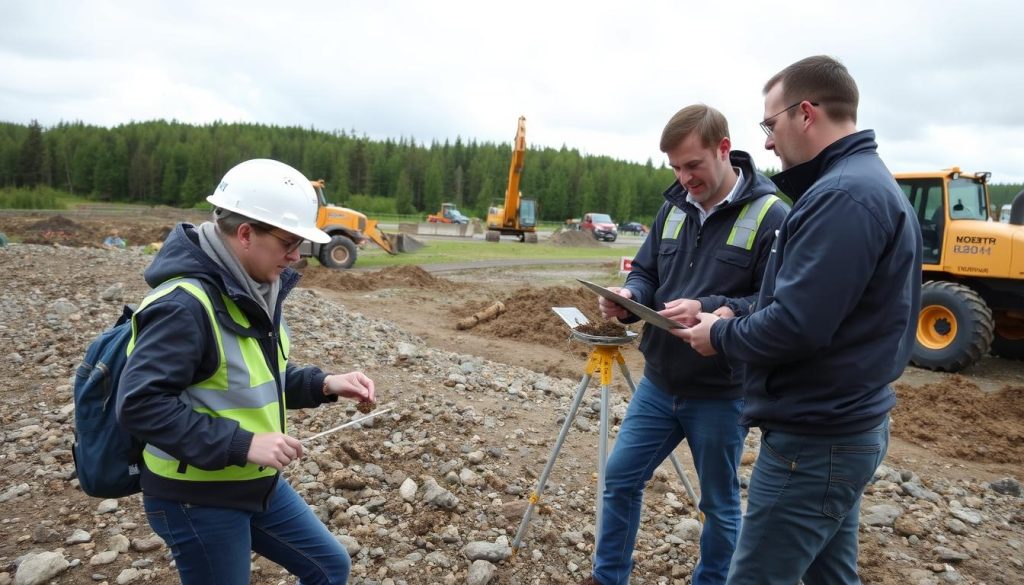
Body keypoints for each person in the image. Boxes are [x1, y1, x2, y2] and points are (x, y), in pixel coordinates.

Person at [675, 56, 922, 584]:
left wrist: (719, 334)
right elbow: (811, 305)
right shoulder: (857, 185)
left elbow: (796, 326)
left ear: (806, 113)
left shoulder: (843, 197)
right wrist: (731, 309)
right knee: (831, 577)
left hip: (816, 441)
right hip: (842, 426)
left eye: (770, 124)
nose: (766, 142)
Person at [117, 159, 376, 585]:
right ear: (244, 234)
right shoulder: (183, 305)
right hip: (196, 497)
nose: (296, 257)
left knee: (330, 567)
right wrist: (244, 443)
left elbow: (251, 378)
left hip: (256, 483)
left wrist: (325, 384)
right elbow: (140, 405)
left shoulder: (252, 288)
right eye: (289, 243)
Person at [581, 104, 788, 585]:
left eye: (692, 165)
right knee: (620, 478)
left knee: (718, 504)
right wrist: (629, 298)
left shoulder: (771, 215)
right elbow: (649, 272)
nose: (684, 177)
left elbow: (775, 301)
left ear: (723, 149)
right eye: (675, 167)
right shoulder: (673, 206)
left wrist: (712, 307)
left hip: (721, 392)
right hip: (659, 383)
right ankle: (608, 577)